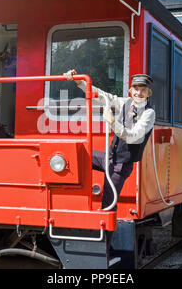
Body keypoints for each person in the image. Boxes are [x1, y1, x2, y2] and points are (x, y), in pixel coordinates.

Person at [64, 69, 156, 255]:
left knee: (108, 205)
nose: (139, 93)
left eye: (143, 90)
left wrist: (113, 122)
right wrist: (78, 81)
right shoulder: (124, 102)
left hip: (121, 165)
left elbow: (134, 137)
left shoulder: (148, 113)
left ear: (148, 93)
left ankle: (104, 251)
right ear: (130, 90)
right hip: (110, 158)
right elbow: (102, 96)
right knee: (81, 157)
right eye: (136, 89)